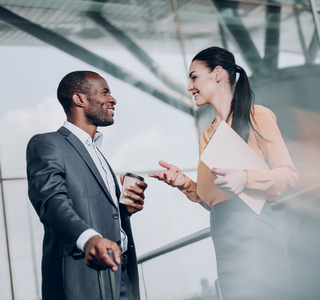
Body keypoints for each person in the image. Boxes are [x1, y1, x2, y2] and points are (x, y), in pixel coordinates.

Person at [149, 46, 299, 299]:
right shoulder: (206, 134)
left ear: (217, 73)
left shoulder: (256, 116)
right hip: (222, 234)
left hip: (254, 229)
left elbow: (288, 175)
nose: (189, 87)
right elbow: (212, 200)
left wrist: (247, 177)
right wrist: (183, 182)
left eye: (194, 77)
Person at [26, 71, 147, 300]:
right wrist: (89, 240)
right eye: (105, 92)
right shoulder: (47, 144)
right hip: (82, 280)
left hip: (121, 276)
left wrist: (124, 210)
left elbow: (104, 214)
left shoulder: (97, 153)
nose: (113, 100)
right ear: (79, 99)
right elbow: (51, 202)